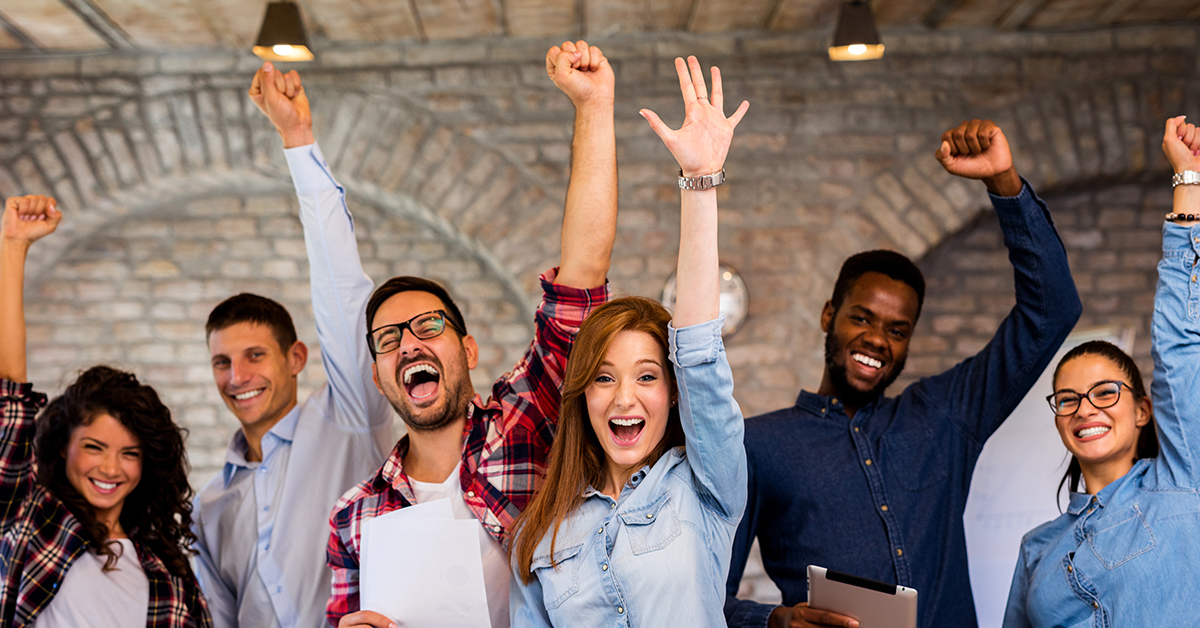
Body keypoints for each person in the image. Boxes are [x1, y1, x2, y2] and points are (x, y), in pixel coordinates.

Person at [724, 120, 1083, 628]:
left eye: (897, 329)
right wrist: (772, 620)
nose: (876, 339)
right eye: (862, 318)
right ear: (830, 316)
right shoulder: (757, 446)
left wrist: (1003, 182)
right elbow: (707, 595)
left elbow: (1052, 312)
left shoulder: (945, 415)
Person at [328, 41, 617, 628]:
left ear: (467, 350)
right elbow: (341, 621)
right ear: (381, 375)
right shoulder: (354, 517)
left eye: (427, 326)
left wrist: (593, 109)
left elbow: (581, 278)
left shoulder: (524, 419)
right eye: (388, 340)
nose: (408, 343)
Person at [509, 54, 750, 627]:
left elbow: (697, 349)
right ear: (582, 395)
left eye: (646, 376)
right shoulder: (539, 534)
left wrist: (699, 182)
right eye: (603, 377)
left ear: (672, 393)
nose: (624, 399)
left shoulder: (707, 486)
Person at [190, 62, 395, 628]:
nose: (238, 376)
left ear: (295, 358)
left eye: (255, 356)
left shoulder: (350, 420)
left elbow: (342, 292)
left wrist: (297, 141)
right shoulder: (206, 506)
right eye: (222, 362)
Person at [1001, 116, 1200, 627]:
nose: (1084, 408)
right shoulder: (1036, 549)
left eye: (1105, 393)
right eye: (1067, 399)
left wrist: (1188, 183)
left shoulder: (1181, 484)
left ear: (1143, 410)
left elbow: (1180, 346)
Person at [0, 195, 211, 627]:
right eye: (95, 447)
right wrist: (14, 246)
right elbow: (9, 401)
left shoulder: (168, 572)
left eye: (130, 453)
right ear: (62, 447)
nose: (111, 468)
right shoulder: (34, 524)